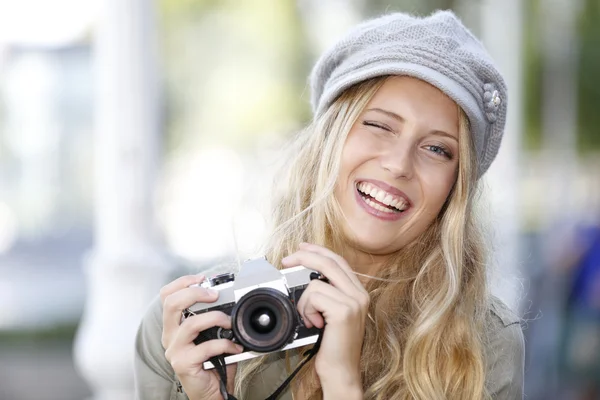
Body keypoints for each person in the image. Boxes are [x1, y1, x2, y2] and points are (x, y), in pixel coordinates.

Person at [134, 10, 525, 400]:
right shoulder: (191, 326)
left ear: (455, 187)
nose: (399, 164)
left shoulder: (481, 347)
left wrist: (342, 382)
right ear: (328, 140)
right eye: (379, 125)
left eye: (437, 149)